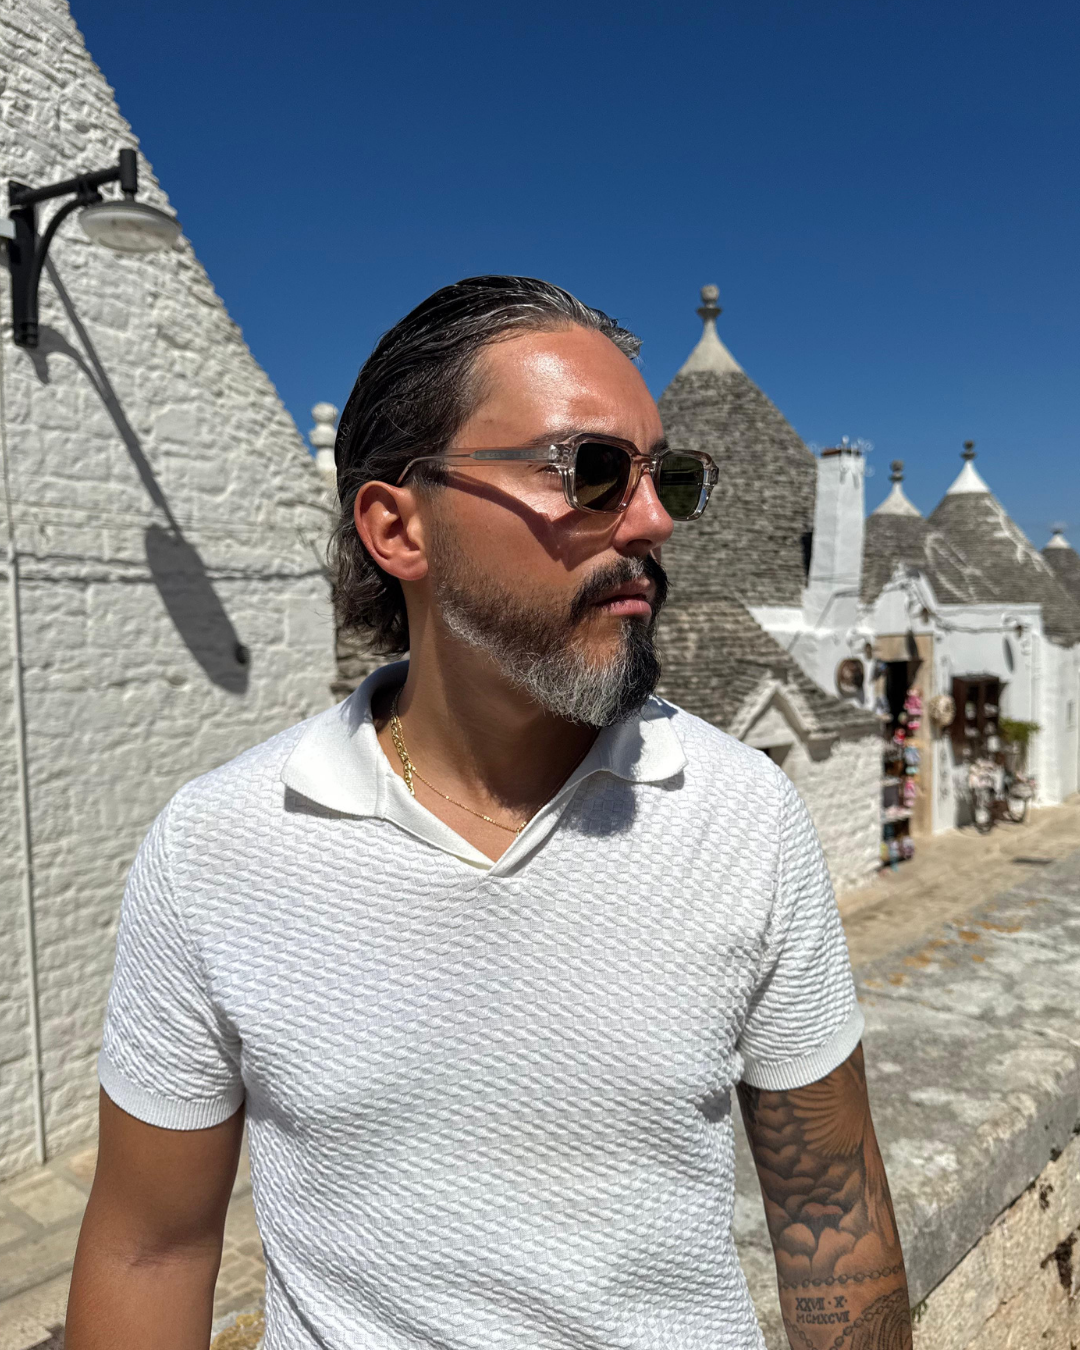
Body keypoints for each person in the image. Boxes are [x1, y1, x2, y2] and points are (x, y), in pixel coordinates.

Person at [67, 276, 912, 1350]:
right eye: (590, 472)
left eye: (665, 478)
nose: (653, 522)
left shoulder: (743, 813)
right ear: (399, 527)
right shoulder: (217, 848)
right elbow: (149, 1250)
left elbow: (832, 1207)